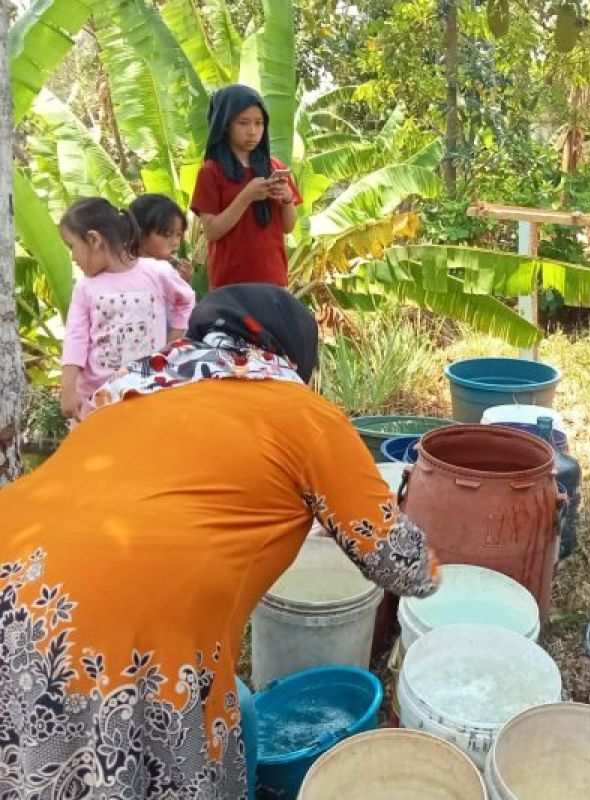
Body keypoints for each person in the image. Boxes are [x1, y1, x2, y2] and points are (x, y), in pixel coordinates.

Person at [0, 284, 439, 799]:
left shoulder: (128, 398)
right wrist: (440, 565)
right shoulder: (302, 412)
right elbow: (402, 565)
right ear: (295, 357)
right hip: (116, 642)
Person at [59, 197, 196, 421]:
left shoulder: (156, 272)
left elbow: (186, 300)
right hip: (95, 405)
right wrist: (68, 389)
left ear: (94, 240)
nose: (73, 257)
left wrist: (172, 343)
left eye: (72, 247)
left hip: (147, 396)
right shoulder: (85, 288)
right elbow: (76, 338)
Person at [190, 84, 301, 289]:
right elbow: (212, 231)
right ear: (225, 125)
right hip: (231, 283)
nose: (252, 131)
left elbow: (288, 227)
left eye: (259, 123)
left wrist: (286, 199)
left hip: (274, 278)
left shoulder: (274, 167)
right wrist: (245, 197)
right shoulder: (211, 171)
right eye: (243, 123)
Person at [131, 192, 195, 283]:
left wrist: (184, 282)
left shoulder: (169, 272)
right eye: (167, 234)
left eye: (179, 235)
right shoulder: (124, 271)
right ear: (141, 234)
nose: (176, 242)